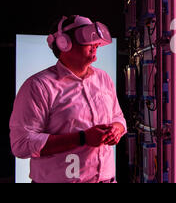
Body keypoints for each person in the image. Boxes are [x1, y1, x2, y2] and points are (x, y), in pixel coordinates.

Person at [9, 15, 127, 183]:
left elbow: (118, 117)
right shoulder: (38, 86)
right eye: (86, 37)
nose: (96, 44)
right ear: (64, 43)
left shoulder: (103, 78)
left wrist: (117, 129)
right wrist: (82, 138)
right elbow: (21, 144)